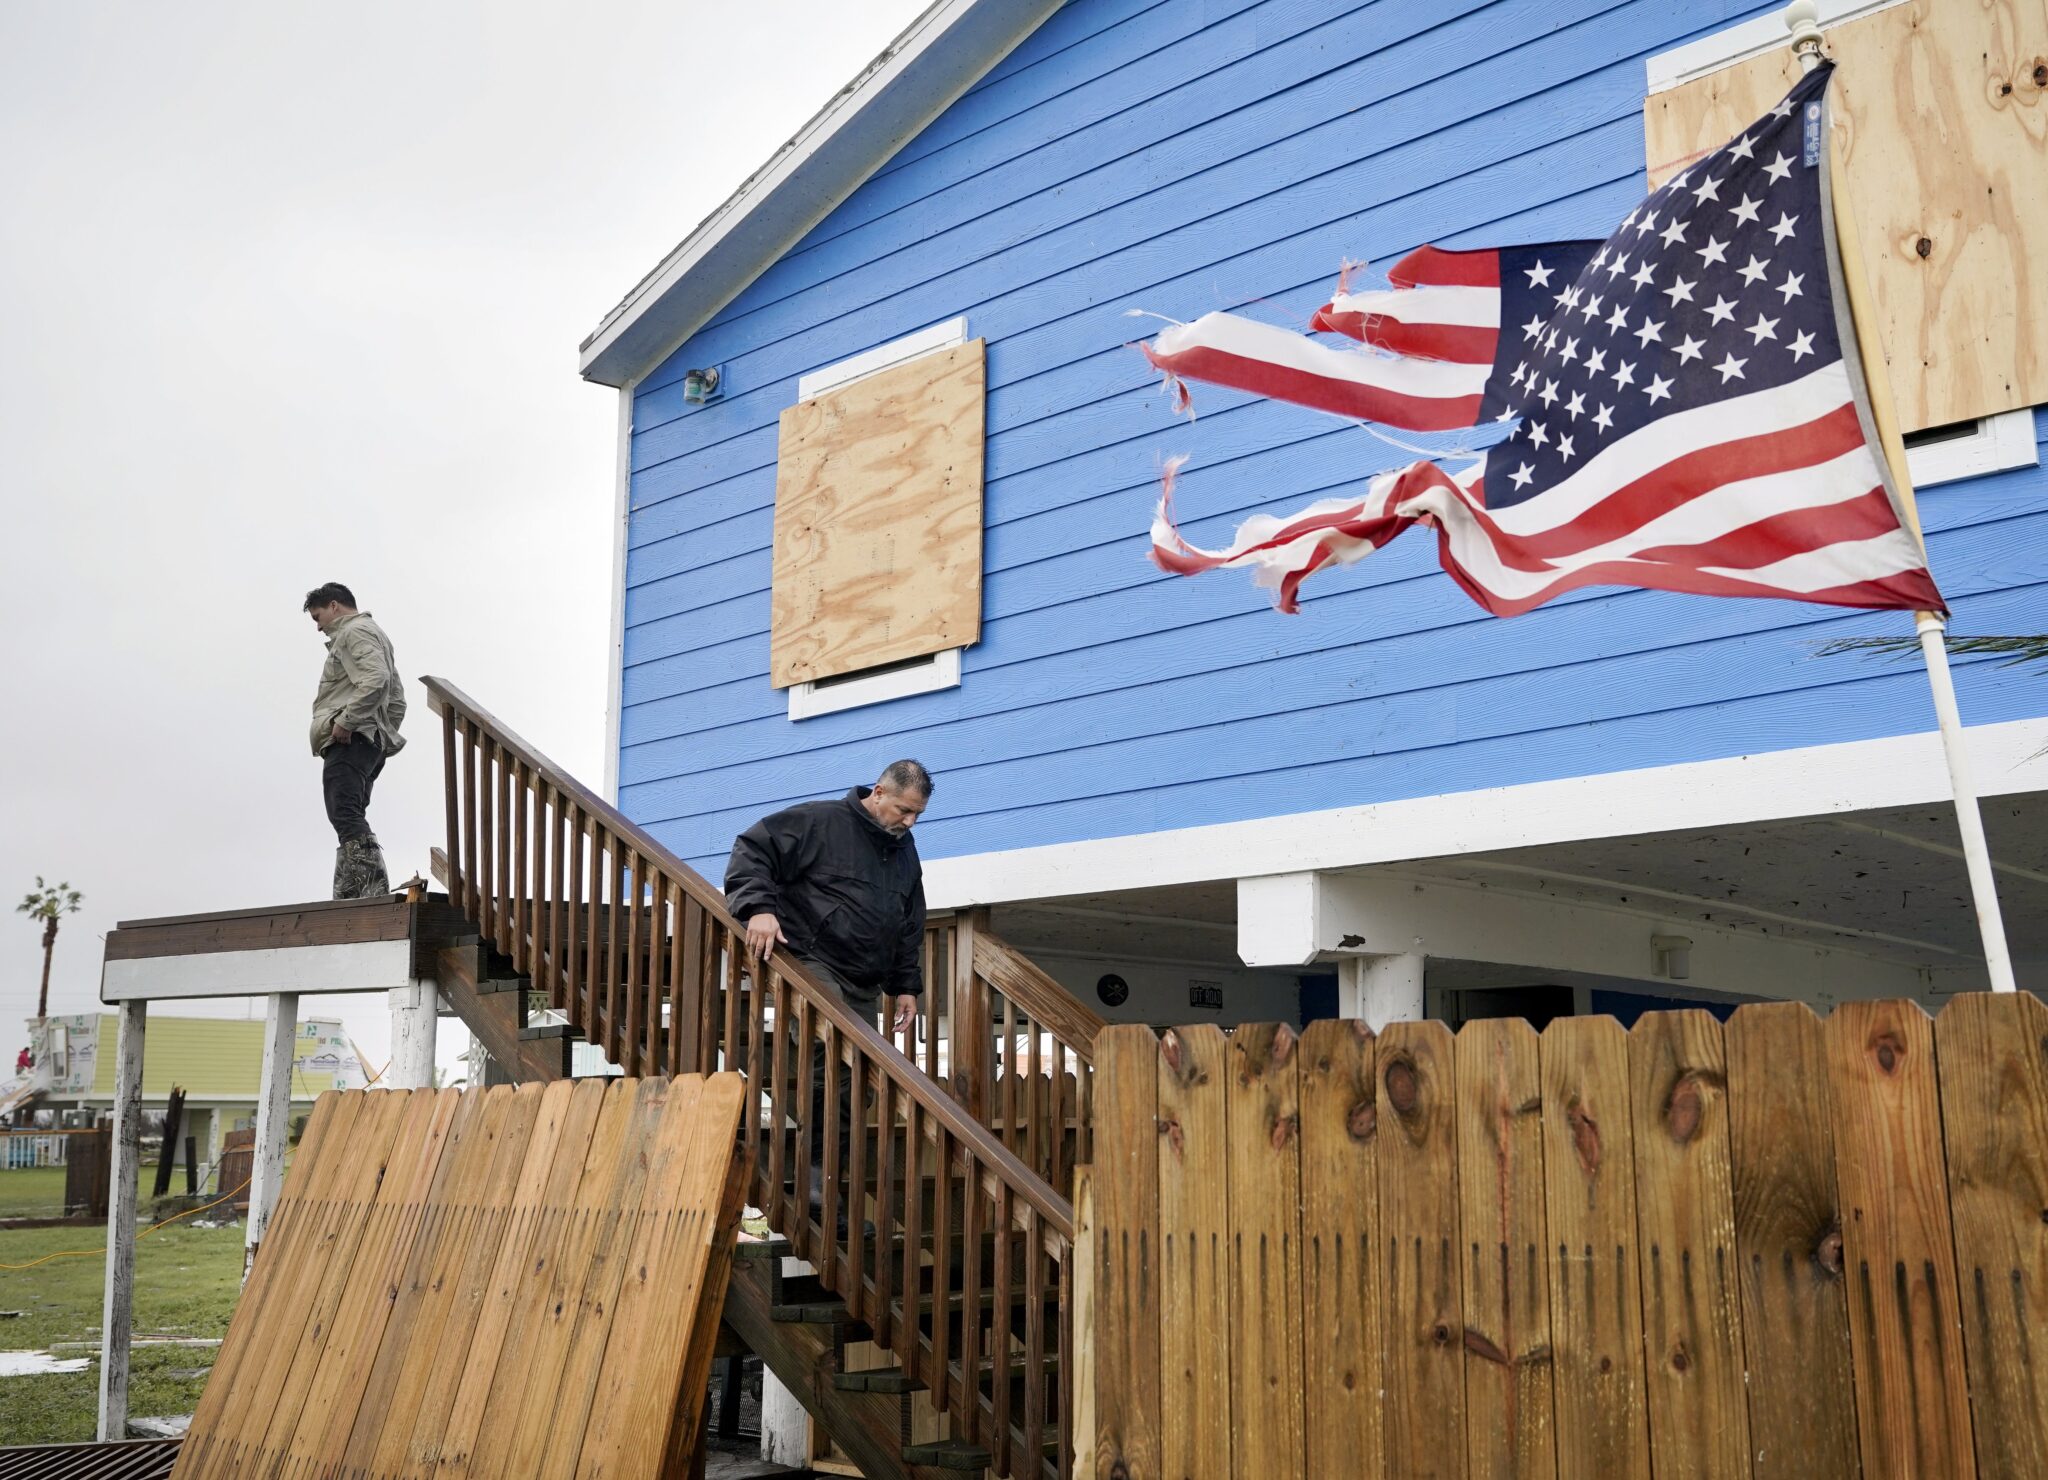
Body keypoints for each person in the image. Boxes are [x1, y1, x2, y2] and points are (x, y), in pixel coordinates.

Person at [724, 761, 931, 1225]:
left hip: (864, 978)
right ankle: (814, 1176)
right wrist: (758, 908)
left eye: (917, 814)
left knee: (859, 1078)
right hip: (809, 958)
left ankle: (828, 1180)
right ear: (878, 792)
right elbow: (752, 850)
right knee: (832, 1052)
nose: (910, 822)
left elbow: (908, 920)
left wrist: (905, 985)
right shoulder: (819, 822)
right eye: (904, 810)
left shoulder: (904, 850)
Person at [304, 583, 406, 899]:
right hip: (368, 739)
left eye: (318, 617)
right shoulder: (373, 633)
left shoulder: (354, 632)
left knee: (344, 811)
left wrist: (347, 722)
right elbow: (396, 699)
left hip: (351, 738)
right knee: (349, 812)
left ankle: (367, 893)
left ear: (334, 606)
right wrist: (382, 736)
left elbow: (377, 680)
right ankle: (353, 892)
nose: (318, 627)